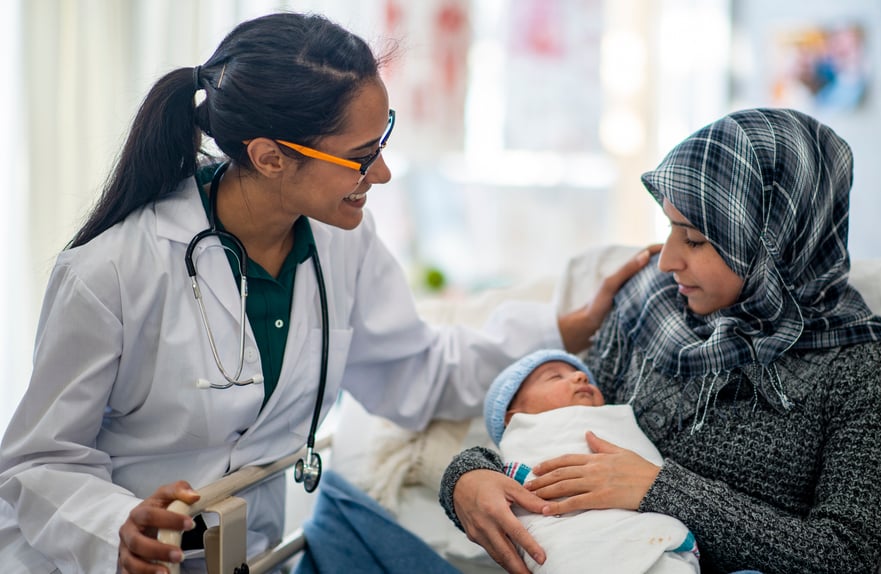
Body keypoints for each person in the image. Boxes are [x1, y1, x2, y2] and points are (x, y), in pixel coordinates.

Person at [0, 12, 656, 574]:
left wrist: (563, 333)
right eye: (361, 155)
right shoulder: (111, 271)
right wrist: (117, 527)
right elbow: (38, 461)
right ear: (270, 157)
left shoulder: (342, 244)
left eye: (385, 138)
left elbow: (416, 372)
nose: (385, 172)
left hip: (249, 553)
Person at [440, 108, 881, 574]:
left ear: (770, 241)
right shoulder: (646, 306)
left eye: (696, 239)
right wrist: (467, 476)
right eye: (669, 227)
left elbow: (846, 556)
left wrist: (659, 489)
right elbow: (558, 418)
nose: (667, 261)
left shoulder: (857, 363)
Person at [483, 348, 700, 574]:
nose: (580, 376)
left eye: (578, 373)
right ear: (510, 416)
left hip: (652, 537)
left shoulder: (619, 421)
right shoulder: (524, 442)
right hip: (574, 546)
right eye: (555, 376)